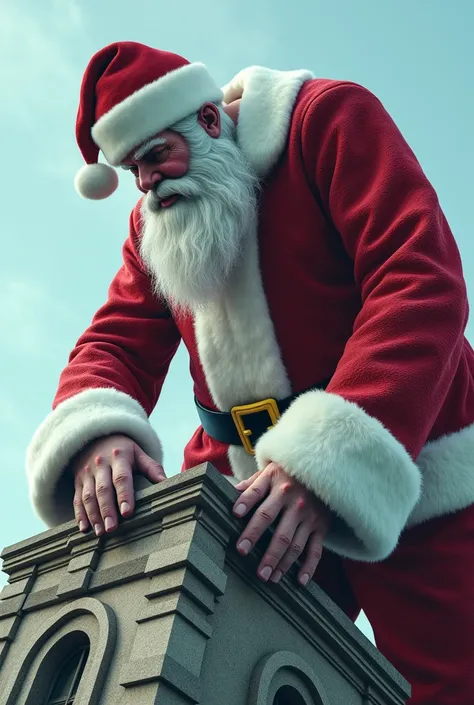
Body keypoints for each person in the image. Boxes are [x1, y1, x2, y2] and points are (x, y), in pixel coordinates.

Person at [26, 41, 474, 704]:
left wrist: (324, 465)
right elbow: (115, 339)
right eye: (133, 170)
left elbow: (418, 281)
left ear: (209, 122)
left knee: (451, 681)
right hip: (249, 488)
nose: (149, 184)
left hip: (416, 467)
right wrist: (98, 435)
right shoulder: (157, 216)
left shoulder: (329, 119)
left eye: (156, 158)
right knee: (202, 660)